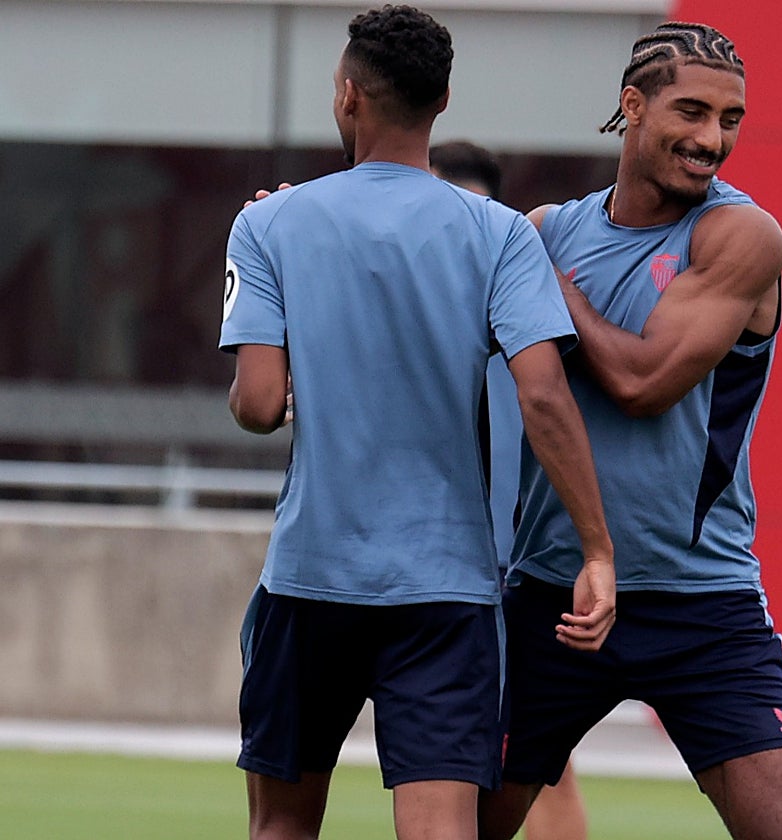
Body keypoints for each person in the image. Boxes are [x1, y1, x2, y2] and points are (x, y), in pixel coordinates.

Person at [219, 6, 615, 840]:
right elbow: (544, 397)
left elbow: (257, 407)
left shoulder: (268, 222)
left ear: (347, 94)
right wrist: (595, 549)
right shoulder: (501, 234)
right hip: (446, 586)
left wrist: (291, 380)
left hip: (310, 578)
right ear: (440, 104)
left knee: (281, 825)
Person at [479, 21, 782, 840]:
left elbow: (642, 383)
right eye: (693, 113)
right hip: (551, 596)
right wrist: (291, 225)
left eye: (730, 121)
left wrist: (549, 289)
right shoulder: (550, 232)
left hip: (702, 599)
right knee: (458, 829)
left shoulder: (741, 236)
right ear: (633, 106)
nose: (712, 140)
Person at [429, 139, 591, 840]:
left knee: (526, 771)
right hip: (445, 570)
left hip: (498, 572)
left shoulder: (519, 316)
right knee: (519, 769)